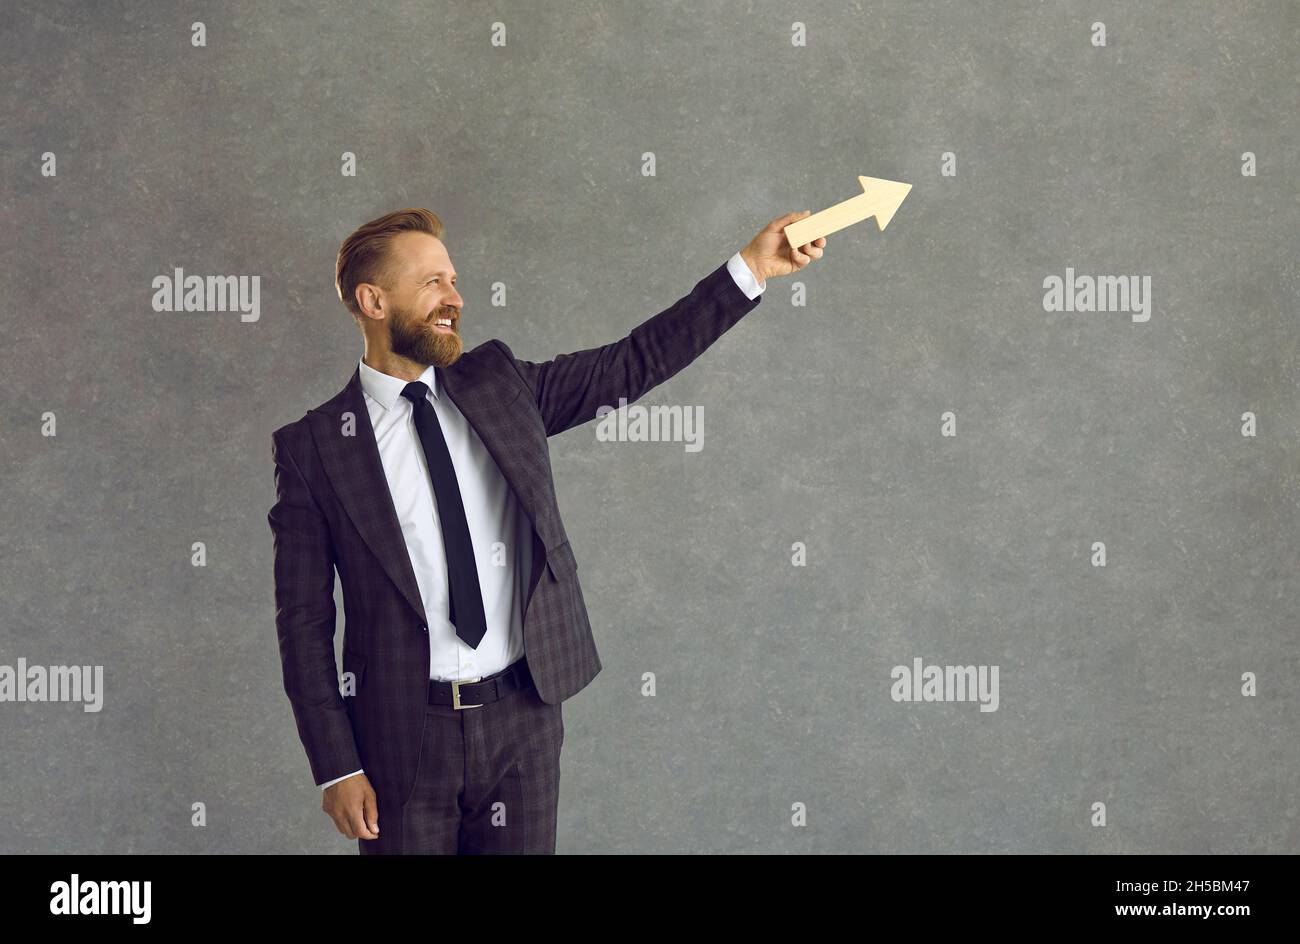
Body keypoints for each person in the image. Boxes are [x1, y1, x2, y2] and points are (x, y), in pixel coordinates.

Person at [267, 206, 826, 853]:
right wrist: (337, 764)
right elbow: (302, 621)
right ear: (373, 300)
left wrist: (752, 268)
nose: (456, 297)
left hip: (523, 720)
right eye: (433, 283)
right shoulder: (314, 449)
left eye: (453, 279)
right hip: (400, 739)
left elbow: (632, 363)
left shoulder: (500, 384)